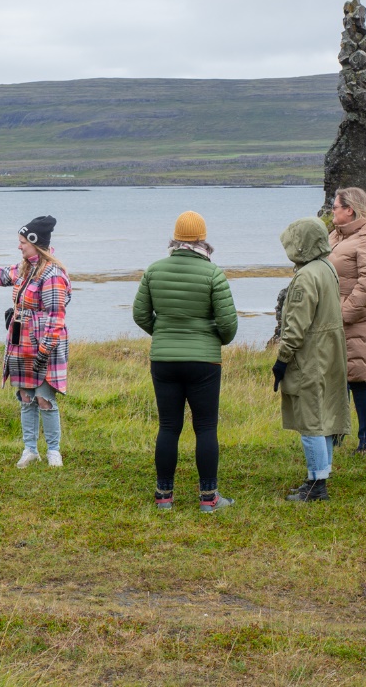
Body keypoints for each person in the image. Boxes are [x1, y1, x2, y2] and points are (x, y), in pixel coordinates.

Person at [132, 211, 238, 512]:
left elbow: (140, 314)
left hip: (164, 359)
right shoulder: (213, 274)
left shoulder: (154, 270)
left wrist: (163, 334)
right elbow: (228, 325)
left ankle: (163, 496)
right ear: (202, 239)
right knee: (205, 427)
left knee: (168, 426)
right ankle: (209, 498)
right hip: (204, 362)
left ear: (175, 238)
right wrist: (211, 339)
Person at [0, 215, 70, 467]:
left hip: (41, 344)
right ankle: (30, 450)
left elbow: (55, 315)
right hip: (20, 341)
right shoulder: (25, 268)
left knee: (44, 398)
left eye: (22, 242)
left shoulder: (52, 274)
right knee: (26, 397)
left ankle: (53, 451)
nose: (18, 246)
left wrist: (45, 349)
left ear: (34, 242)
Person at [272, 217, 349, 502]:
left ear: (301, 244)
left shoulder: (305, 277)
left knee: (310, 420)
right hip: (330, 352)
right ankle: (319, 476)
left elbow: (295, 326)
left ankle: (317, 484)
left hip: (311, 355)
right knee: (324, 415)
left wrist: (282, 359)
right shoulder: (326, 267)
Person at [327, 188, 366, 453]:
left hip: (356, 319)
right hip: (332, 318)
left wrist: (344, 313)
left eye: (335, 207)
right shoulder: (336, 236)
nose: (332, 211)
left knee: (359, 379)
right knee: (335, 379)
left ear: (349, 209)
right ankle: (335, 437)